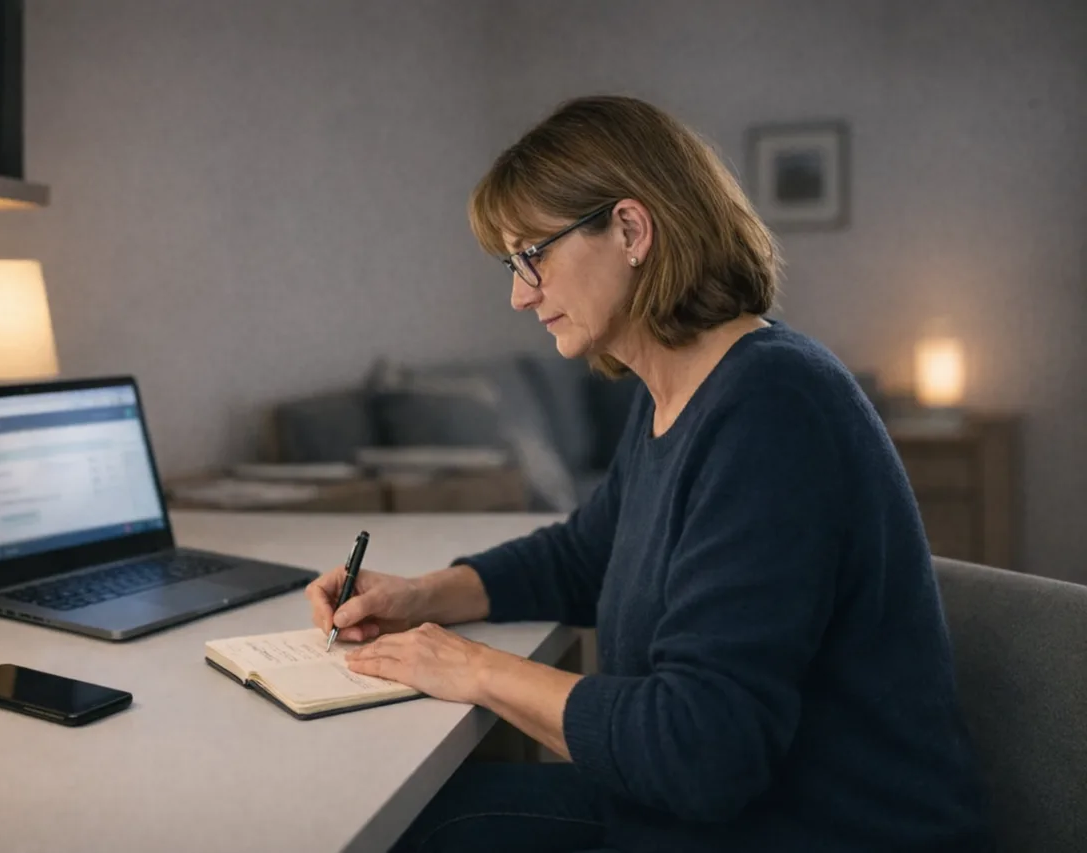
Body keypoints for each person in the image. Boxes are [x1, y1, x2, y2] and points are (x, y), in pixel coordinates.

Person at [306, 95, 993, 853]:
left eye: (533, 254)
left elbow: (702, 752)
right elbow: (586, 552)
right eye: (512, 264)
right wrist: (418, 595)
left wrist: (472, 668)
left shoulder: (772, 408)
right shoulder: (676, 388)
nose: (519, 292)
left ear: (631, 229)